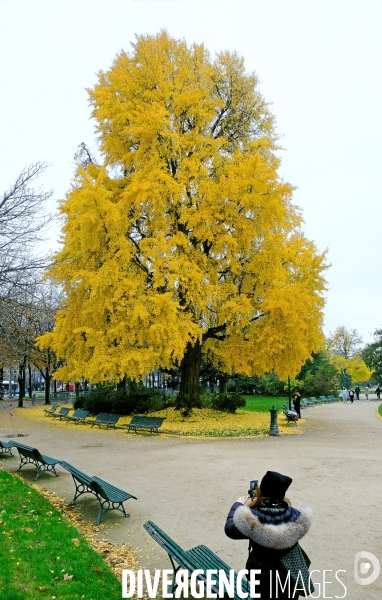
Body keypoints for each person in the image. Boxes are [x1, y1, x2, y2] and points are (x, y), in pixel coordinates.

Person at [225, 471, 314, 599]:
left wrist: (237, 505)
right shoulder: (296, 516)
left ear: (261, 490)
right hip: (288, 577)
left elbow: (229, 529)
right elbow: (277, 515)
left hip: (261, 578)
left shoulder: (252, 518)